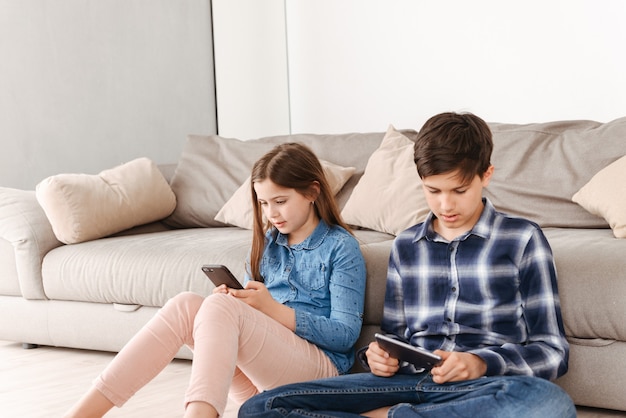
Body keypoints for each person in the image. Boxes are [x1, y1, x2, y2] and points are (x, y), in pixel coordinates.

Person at [238, 112, 576, 418]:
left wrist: (478, 363)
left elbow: (552, 351)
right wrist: (380, 357)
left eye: (459, 190)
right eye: (433, 190)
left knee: (550, 404)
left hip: (481, 386)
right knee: (259, 407)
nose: (445, 205)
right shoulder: (406, 246)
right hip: (405, 383)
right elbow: (393, 337)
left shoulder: (522, 240)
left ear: (485, 175)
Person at [64, 142, 367, 418]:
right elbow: (248, 317)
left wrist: (270, 309)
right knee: (187, 305)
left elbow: (344, 336)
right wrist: (238, 302)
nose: (272, 213)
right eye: (263, 204)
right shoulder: (268, 244)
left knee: (222, 307)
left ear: (312, 192)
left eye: (280, 201)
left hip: (318, 375)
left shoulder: (340, 247)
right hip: (261, 382)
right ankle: (80, 415)